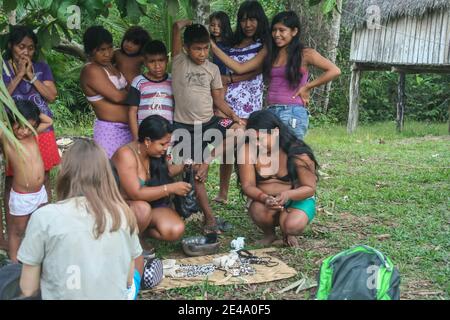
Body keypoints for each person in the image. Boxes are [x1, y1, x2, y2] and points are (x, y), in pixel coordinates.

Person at [18, 139, 143, 300]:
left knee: (11, 274)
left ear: (65, 173)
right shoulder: (124, 214)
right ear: (106, 175)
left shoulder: (44, 217)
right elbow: (128, 280)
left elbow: (28, 289)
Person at [211, 10, 341, 140]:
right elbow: (241, 68)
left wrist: (308, 86)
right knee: (269, 157)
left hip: (291, 111)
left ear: (294, 31)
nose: (277, 34)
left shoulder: (305, 53)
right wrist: (214, 46)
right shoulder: (271, 52)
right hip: (271, 111)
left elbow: (334, 70)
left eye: (282, 30)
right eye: (274, 30)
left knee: (289, 156)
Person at [171, 20, 244, 233]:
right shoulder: (178, 61)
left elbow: (218, 101)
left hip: (209, 122)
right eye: (197, 48)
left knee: (238, 131)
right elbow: (175, 37)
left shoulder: (212, 69)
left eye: (205, 48)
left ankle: (207, 161)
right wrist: (178, 27)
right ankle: (209, 219)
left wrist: (233, 116)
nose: (202, 53)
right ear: (186, 48)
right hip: (185, 127)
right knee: (196, 174)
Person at [2, 25, 60, 245]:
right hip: (13, 132)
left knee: (43, 178)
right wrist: (18, 76)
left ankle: (43, 235)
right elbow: (2, 97)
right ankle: (12, 237)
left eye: (30, 48)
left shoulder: (41, 68)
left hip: (41, 130)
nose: (25, 52)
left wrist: (31, 76)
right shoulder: (3, 69)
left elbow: (52, 96)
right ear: (11, 46)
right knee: (12, 180)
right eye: (21, 46)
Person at [212, 1, 271, 204]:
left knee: (249, 148)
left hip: (249, 103)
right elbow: (224, 71)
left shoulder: (265, 45)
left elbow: (239, 68)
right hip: (226, 100)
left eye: (252, 19)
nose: (247, 24)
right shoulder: (232, 43)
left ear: (260, 20)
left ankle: (251, 193)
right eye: (243, 19)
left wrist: (210, 44)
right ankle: (223, 192)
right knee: (226, 147)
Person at [238, 110, 319, 247]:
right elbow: (248, 185)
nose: (256, 144)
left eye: (260, 139)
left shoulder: (297, 152)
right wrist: (265, 198)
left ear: (276, 132)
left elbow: (310, 188)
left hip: (296, 198)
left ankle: (288, 231)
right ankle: (269, 234)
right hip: (264, 200)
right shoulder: (246, 150)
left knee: (292, 225)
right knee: (258, 210)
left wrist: (288, 194)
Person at [112, 115, 191, 249]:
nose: (166, 148)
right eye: (162, 144)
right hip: (120, 207)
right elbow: (135, 194)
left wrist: (186, 165)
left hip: (145, 208)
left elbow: (164, 173)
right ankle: (128, 242)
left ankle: (138, 234)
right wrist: (170, 188)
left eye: (168, 144)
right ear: (147, 141)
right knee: (142, 209)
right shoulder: (126, 154)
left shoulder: (154, 153)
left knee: (175, 229)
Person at [0, 100, 52, 263]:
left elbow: (48, 121)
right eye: (19, 126)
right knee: (17, 231)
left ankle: (35, 259)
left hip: (40, 193)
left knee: (38, 227)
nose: (23, 132)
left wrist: (32, 113)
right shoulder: (9, 139)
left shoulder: (33, 134)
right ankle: (14, 264)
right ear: (11, 121)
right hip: (22, 196)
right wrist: (12, 114)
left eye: (28, 127)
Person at [80, 26, 132, 158]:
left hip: (128, 128)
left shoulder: (109, 65)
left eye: (110, 48)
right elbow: (118, 97)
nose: (107, 53)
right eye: (101, 50)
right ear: (91, 50)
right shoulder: (90, 70)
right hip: (110, 131)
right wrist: (141, 96)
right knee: (110, 174)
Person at [126, 40, 173, 141]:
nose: (157, 66)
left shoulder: (172, 81)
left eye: (161, 60)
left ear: (167, 59)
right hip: (145, 137)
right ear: (145, 62)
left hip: (168, 138)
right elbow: (132, 112)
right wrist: (136, 138)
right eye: (152, 61)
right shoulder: (138, 82)